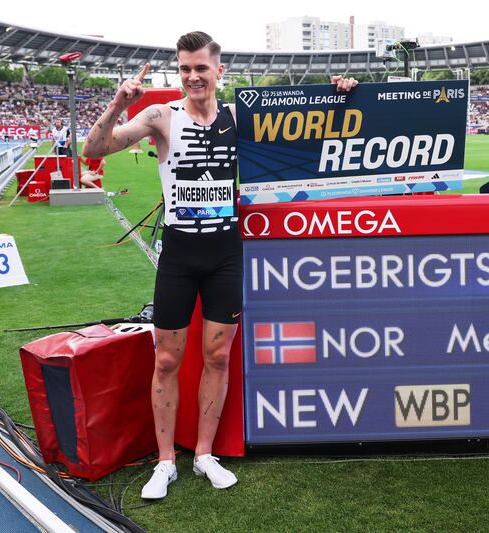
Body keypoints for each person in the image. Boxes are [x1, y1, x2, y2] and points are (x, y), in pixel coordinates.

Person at [82, 30, 357, 500]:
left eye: (201, 68)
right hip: (180, 255)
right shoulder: (159, 117)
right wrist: (117, 104)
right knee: (167, 359)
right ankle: (166, 462)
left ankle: (205, 454)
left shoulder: (238, 117)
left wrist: (335, 92)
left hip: (225, 253)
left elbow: (307, 124)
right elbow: (92, 151)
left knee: (217, 356)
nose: (192, 77)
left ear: (218, 71)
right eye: (184, 68)